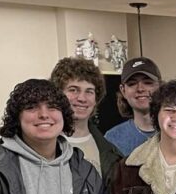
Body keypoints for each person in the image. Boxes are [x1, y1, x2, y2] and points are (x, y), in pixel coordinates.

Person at [49, 56, 124, 186]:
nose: (82, 98)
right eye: (73, 90)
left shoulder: (111, 152)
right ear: (58, 94)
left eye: (89, 91)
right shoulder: (42, 145)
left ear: (96, 99)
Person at [106, 57, 161, 159]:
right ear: (123, 91)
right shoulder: (112, 138)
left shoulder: (175, 130)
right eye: (132, 83)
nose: (140, 88)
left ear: (160, 86)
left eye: (148, 82)